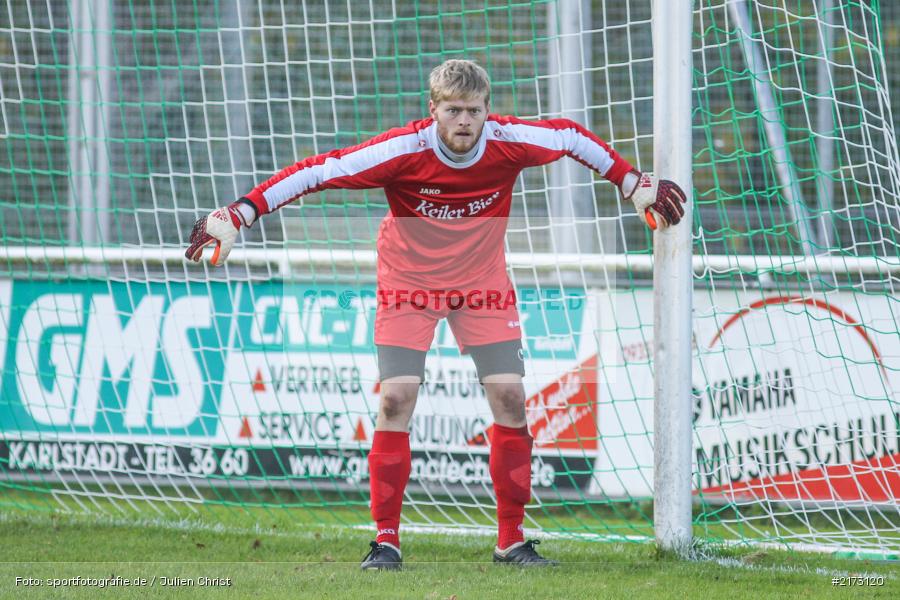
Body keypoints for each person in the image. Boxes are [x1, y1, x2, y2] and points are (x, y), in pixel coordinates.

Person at [186, 59, 686, 569]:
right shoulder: (403, 150)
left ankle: (511, 540)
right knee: (396, 399)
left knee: (511, 398)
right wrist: (240, 213)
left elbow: (572, 137)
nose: (465, 121)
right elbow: (319, 170)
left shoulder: (509, 141)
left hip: (482, 283)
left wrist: (632, 183)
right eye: (453, 110)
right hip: (409, 284)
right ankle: (386, 541)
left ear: (487, 111)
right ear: (434, 111)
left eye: (474, 110)